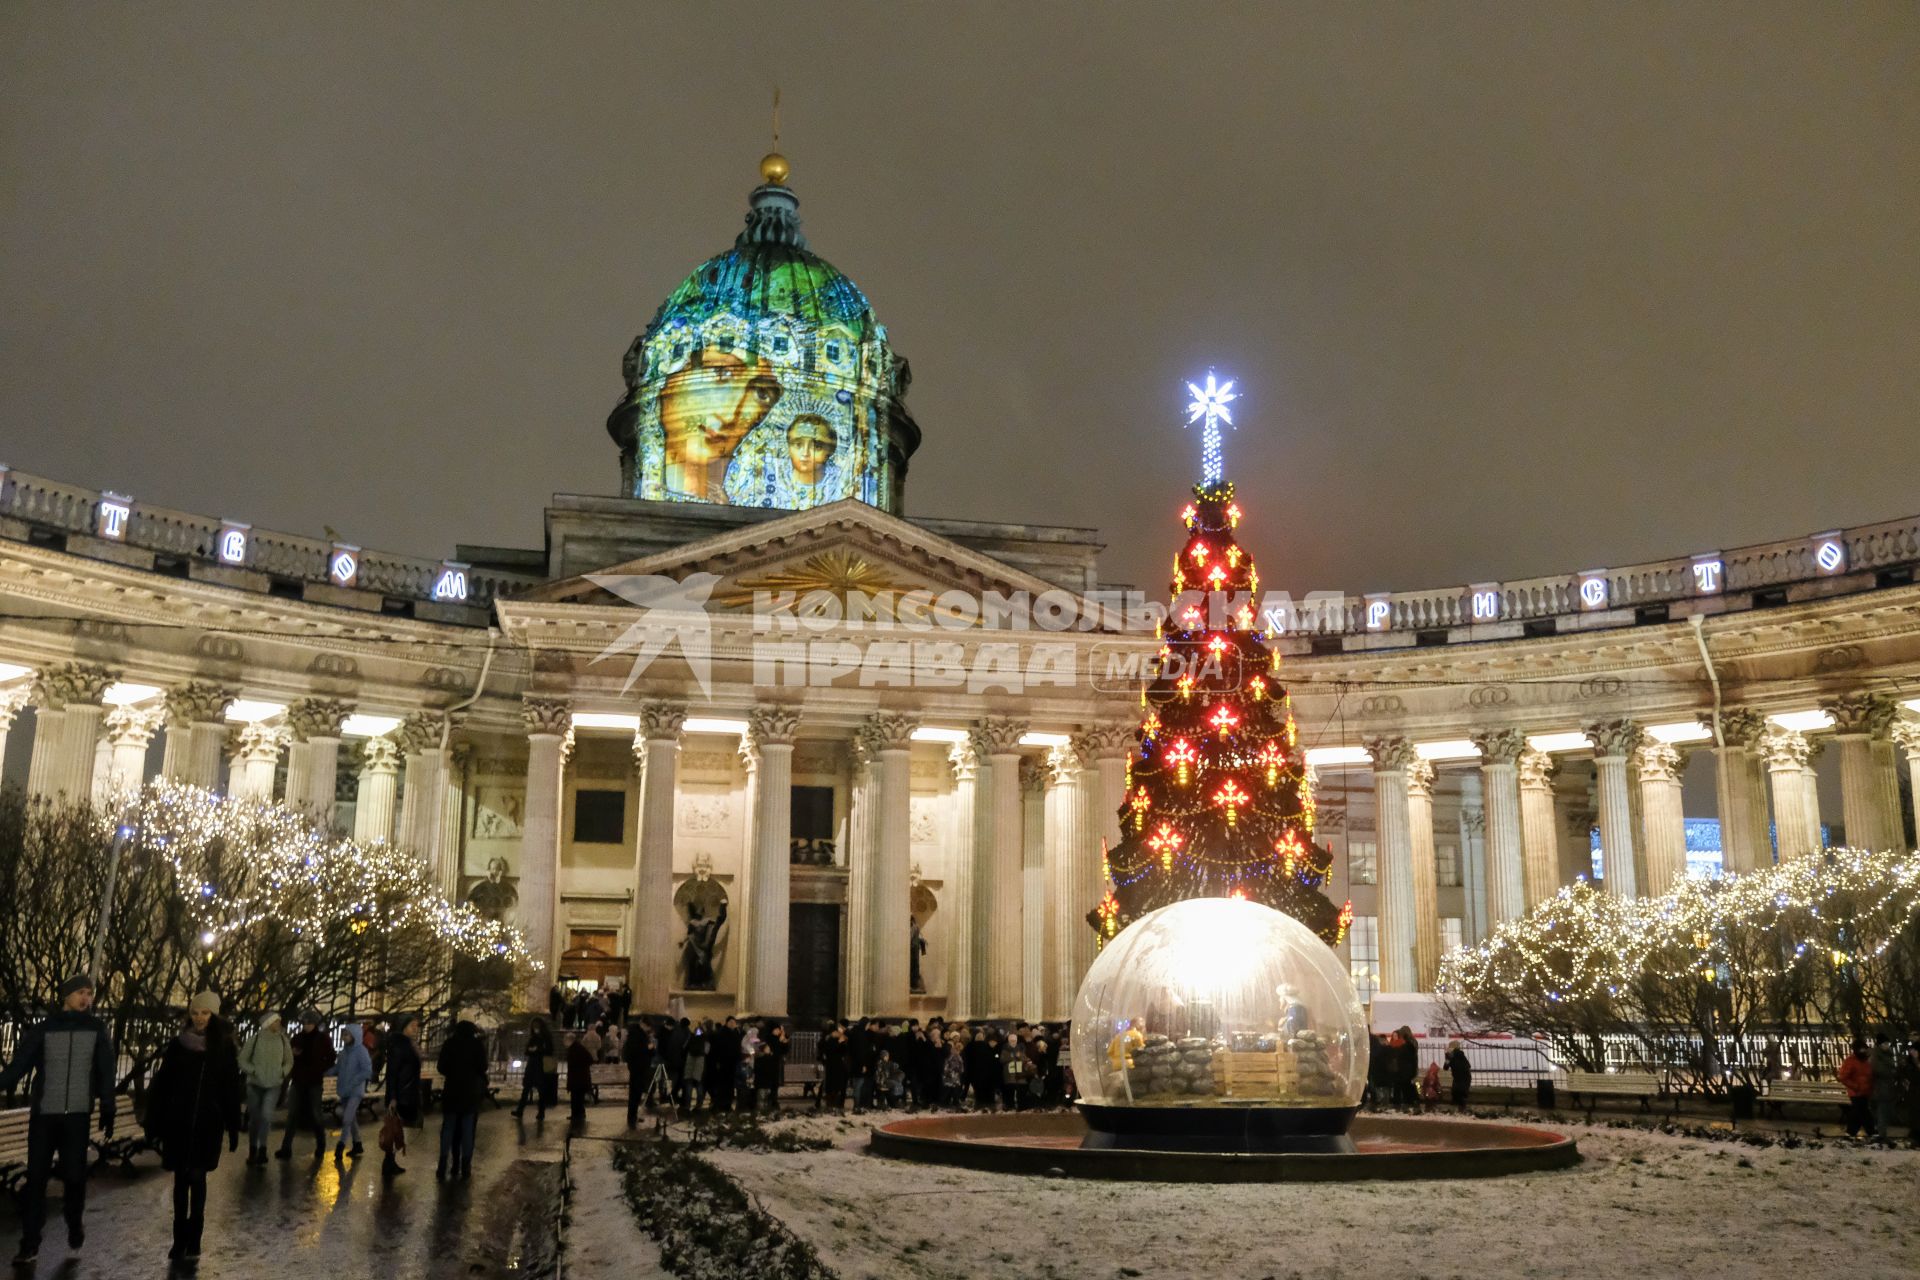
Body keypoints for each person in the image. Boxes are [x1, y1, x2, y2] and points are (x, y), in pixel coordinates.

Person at [0, 973, 116, 1266]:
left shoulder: (96, 1029)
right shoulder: (44, 1029)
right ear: (66, 995)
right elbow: (19, 1066)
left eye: (89, 993)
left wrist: (108, 1105)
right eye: (80, 992)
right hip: (45, 1117)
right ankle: (29, 1243)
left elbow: (105, 1069)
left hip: (77, 1117)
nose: (85, 999)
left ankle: (74, 1221)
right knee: (36, 1179)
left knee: (75, 1177)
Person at [144, 992, 242, 1264]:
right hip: (178, 1123)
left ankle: (194, 1235)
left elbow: (231, 1089)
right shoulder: (178, 1046)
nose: (199, 1018)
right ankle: (179, 1239)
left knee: (197, 1178)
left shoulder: (223, 1048)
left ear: (214, 1016)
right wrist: (154, 1123)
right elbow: (162, 1086)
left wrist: (233, 1125)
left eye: (205, 1013)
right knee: (180, 1182)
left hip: (207, 1125)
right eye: (196, 1012)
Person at [277, 1010, 335, 1161]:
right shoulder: (298, 1038)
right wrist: (294, 1057)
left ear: (314, 1024)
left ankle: (321, 1145)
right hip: (298, 1080)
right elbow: (288, 1055)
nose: (306, 1026)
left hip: (314, 1081)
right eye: (304, 1023)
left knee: (316, 1115)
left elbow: (331, 1057)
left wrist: (320, 1067)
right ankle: (286, 1147)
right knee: (292, 1115)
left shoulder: (323, 1039)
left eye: (309, 1023)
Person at [236, 1012, 292, 1165]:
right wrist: (253, 1070)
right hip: (255, 1085)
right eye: (276, 1021)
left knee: (266, 1116)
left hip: (273, 1085)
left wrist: (282, 1072)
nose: (279, 1023)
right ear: (268, 1023)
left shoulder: (283, 1040)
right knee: (255, 1119)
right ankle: (253, 1148)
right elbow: (242, 1059)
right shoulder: (254, 1040)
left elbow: (289, 1060)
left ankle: (263, 1149)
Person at [436, 1020, 489, 1179]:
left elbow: (441, 1067)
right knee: (467, 1130)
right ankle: (466, 1166)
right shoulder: (476, 1045)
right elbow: (483, 1067)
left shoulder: (449, 1043)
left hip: (451, 1091)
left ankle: (443, 1163)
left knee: (448, 1128)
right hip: (470, 1092)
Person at [383, 1014, 423, 1176]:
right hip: (401, 1093)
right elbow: (392, 1072)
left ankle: (389, 1163)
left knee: (396, 1129)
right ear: (404, 1027)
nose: (416, 1029)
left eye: (416, 1026)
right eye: (412, 1026)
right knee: (394, 1129)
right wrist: (393, 1097)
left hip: (406, 1091)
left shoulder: (407, 1044)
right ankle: (388, 1164)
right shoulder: (400, 1045)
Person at [333, 1021, 373, 1159]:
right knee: (351, 1119)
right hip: (345, 1090)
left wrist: (354, 1081)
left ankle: (341, 1145)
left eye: (347, 1034)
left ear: (354, 1036)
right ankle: (357, 1144)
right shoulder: (344, 1052)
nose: (344, 1037)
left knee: (347, 1118)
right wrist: (324, 1072)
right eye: (343, 1034)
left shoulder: (361, 1051)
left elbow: (367, 1071)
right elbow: (338, 1068)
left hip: (355, 1091)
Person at [515, 1016, 555, 1120]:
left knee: (541, 1090)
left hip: (540, 1065)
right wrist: (532, 1050)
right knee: (526, 1088)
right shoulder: (533, 1037)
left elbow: (549, 1051)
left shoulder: (545, 1037)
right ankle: (520, 1110)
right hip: (532, 1065)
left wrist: (537, 1050)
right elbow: (527, 1050)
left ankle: (541, 1112)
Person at [1837, 1039, 1874, 1139]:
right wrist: (1855, 1086)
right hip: (1856, 1092)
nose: (1863, 1051)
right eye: (1861, 1049)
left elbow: (1869, 1076)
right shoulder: (1851, 1061)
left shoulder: (1866, 1061)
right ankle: (1872, 1132)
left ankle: (1850, 1133)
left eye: (1864, 1049)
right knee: (1864, 1112)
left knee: (1859, 1113)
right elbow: (1843, 1077)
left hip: (1865, 1092)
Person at [622, 1018, 654, 1127]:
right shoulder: (635, 1034)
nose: (648, 1029)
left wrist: (650, 1049)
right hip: (637, 1068)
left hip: (641, 1067)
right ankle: (631, 1118)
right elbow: (635, 1050)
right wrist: (647, 1048)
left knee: (637, 1093)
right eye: (648, 1027)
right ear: (643, 1024)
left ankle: (634, 1116)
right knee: (634, 1094)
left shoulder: (641, 1034)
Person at [1868, 1033, 1898, 1147]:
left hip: (1887, 1088)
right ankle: (1881, 1135)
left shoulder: (1887, 1054)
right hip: (1880, 1088)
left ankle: (1882, 1134)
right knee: (1882, 1112)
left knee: (1885, 1112)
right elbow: (1878, 1070)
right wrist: (1892, 1072)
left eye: (1887, 1043)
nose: (1887, 1045)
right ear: (1880, 1044)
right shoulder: (1876, 1055)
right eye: (1885, 1043)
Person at [567, 1032, 594, 1125]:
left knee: (576, 1097)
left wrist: (579, 1067)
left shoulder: (576, 1049)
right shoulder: (576, 1048)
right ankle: (578, 1114)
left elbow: (588, 1060)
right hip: (579, 1078)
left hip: (578, 1078)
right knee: (577, 1097)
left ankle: (577, 1114)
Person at [1444, 1040, 1473, 1111]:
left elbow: (1445, 1067)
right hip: (1464, 1077)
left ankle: (1460, 1109)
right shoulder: (1460, 1055)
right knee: (1460, 1093)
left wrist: (1448, 1059)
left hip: (1460, 1077)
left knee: (1458, 1093)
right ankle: (1461, 1108)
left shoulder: (1452, 1055)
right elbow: (1468, 1066)